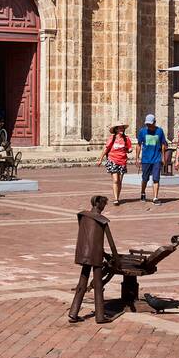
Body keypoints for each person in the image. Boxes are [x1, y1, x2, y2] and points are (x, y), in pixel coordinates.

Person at [68, 194, 117, 324]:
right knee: (98, 285)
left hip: (83, 253)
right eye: (104, 204)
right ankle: (100, 316)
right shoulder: (102, 220)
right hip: (95, 256)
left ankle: (73, 313)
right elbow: (111, 243)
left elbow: (88, 237)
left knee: (81, 283)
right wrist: (114, 257)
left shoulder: (83, 215)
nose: (104, 207)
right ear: (99, 204)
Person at [136, 114, 168, 204]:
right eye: (147, 124)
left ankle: (155, 198)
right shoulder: (142, 131)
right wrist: (137, 158)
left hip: (156, 159)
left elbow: (163, 144)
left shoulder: (160, 131)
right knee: (145, 179)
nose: (149, 126)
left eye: (150, 124)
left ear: (154, 122)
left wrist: (163, 157)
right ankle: (142, 192)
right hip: (146, 159)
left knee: (156, 178)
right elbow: (139, 145)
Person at [98, 122, 132, 205]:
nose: (122, 129)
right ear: (116, 129)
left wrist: (130, 150)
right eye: (120, 128)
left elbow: (129, 148)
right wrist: (100, 159)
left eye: (122, 128)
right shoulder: (112, 138)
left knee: (119, 181)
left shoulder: (126, 138)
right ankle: (116, 199)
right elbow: (106, 149)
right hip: (113, 160)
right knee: (115, 180)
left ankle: (118, 197)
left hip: (122, 161)